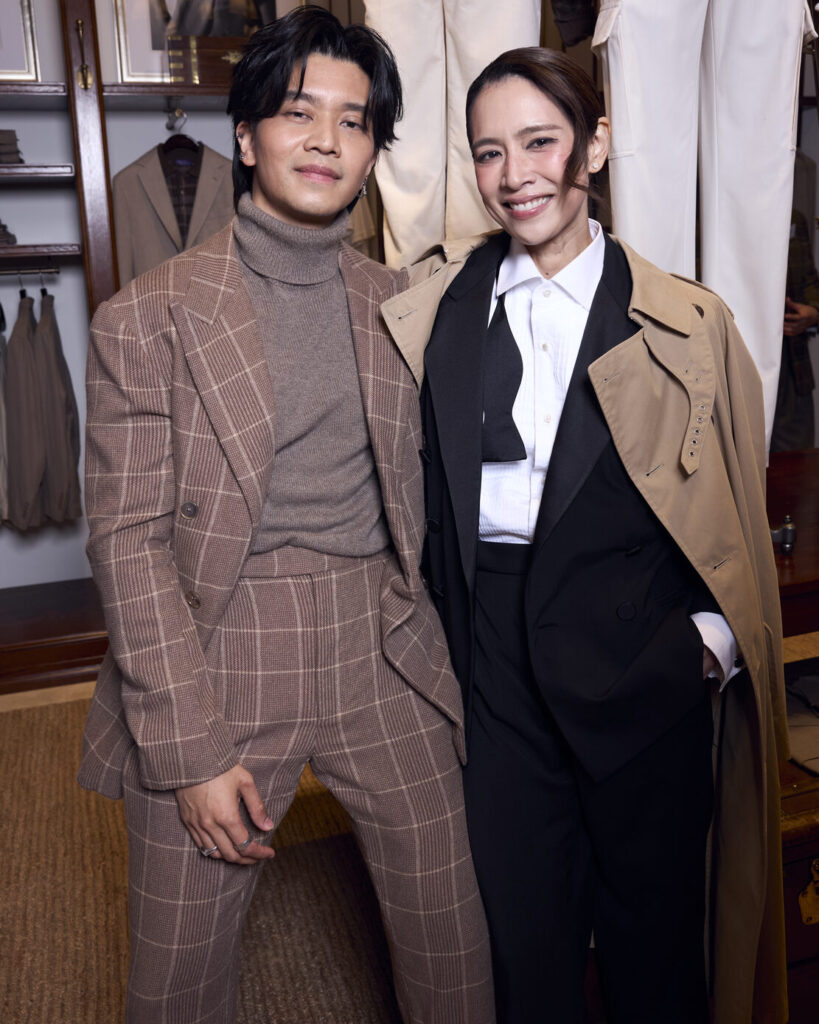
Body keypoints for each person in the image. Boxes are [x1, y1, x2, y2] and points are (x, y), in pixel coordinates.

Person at [78, 9, 494, 1023]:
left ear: (372, 153)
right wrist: (188, 750)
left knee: (455, 935)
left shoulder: (400, 303)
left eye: (354, 122)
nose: (325, 140)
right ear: (246, 133)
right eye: (299, 113)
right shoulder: (148, 315)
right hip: (221, 643)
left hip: (381, 637)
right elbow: (128, 543)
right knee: (177, 977)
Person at [379, 47, 788, 1024]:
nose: (514, 174)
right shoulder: (432, 315)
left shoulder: (688, 323)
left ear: (595, 146)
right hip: (496, 690)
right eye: (489, 152)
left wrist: (708, 646)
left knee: (660, 962)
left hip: (644, 680)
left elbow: (733, 503)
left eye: (540, 142)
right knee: (526, 961)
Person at [771, 207, 818, 452]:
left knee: (795, 456)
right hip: (736, 356)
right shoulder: (709, 213)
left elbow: (809, 279)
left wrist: (813, 312)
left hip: (791, 359)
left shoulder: (792, 217)